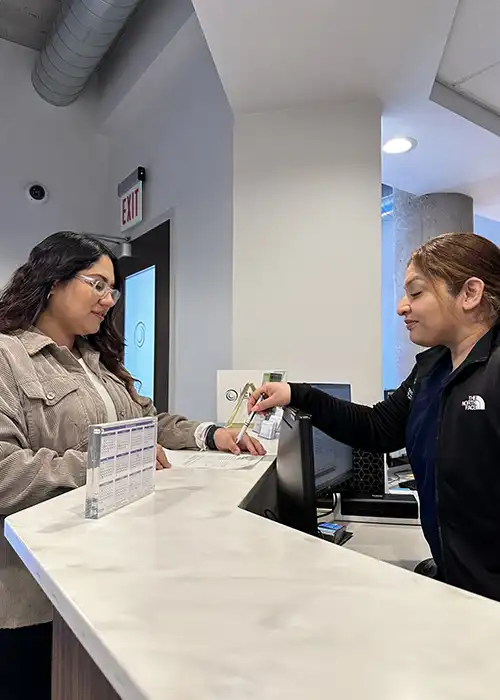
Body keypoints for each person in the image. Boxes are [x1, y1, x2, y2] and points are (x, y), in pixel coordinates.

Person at [0, 231, 264, 700]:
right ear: (52, 281)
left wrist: (211, 434)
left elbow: (149, 422)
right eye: (96, 284)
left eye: (113, 289)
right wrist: (112, 462)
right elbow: (5, 474)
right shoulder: (7, 358)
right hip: (33, 597)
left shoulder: (96, 362)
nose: (108, 299)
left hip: (109, 578)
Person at [249, 232, 500, 603]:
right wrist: (298, 394)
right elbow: (379, 428)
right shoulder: (432, 369)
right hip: (458, 588)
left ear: (470, 293)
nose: (402, 307)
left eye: (416, 293)